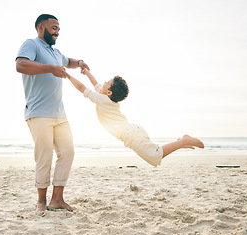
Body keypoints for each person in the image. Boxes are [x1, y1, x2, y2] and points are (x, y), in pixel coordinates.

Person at [15, 14, 89, 212]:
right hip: (38, 112)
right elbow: (20, 65)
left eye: (58, 28)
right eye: (53, 27)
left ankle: (57, 199)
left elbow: (67, 61)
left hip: (60, 114)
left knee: (68, 152)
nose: (57, 31)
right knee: (44, 156)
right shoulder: (32, 44)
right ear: (41, 28)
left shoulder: (56, 52)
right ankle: (41, 201)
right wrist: (50, 68)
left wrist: (79, 62)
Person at [66, 68, 204, 167]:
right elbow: (95, 84)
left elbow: (82, 88)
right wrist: (87, 72)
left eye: (107, 82)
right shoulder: (105, 97)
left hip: (131, 135)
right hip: (132, 133)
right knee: (155, 154)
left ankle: (183, 141)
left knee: (156, 156)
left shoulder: (102, 99)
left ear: (109, 92)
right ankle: (181, 143)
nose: (103, 82)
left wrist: (67, 75)